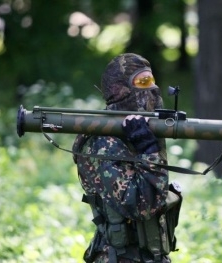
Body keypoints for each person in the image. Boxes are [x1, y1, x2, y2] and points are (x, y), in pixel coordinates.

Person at [72, 53, 182, 263]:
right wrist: (148, 150)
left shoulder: (135, 132)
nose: (152, 89)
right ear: (120, 90)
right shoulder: (102, 142)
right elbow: (141, 206)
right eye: (142, 82)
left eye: (152, 81)